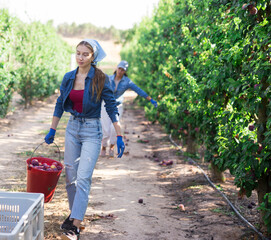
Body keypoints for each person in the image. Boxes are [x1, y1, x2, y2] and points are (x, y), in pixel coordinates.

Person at [44, 39, 125, 240]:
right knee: (70, 178)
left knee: (83, 177)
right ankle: (74, 216)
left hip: (91, 130)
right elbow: (59, 104)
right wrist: (52, 129)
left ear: (93, 57)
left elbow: (111, 107)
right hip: (72, 128)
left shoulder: (101, 78)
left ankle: (75, 227)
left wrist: (119, 134)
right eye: (78, 53)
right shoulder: (69, 77)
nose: (80, 57)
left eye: (85, 54)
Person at [100, 60, 157, 157]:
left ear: (125, 71)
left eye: (122, 70)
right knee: (105, 130)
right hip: (106, 105)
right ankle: (104, 146)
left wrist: (150, 99)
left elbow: (138, 90)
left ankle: (112, 147)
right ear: (116, 68)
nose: (120, 71)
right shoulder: (108, 79)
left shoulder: (127, 82)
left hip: (117, 106)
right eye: (119, 68)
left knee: (114, 129)